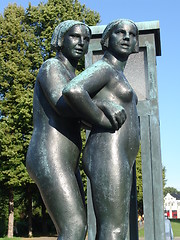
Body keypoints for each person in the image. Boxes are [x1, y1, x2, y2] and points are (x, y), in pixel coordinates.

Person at [63, 19, 140, 240]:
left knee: (117, 227)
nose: (127, 37)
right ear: (106, 40)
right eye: (120, 32)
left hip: (120, 154)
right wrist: (100, 118)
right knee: (114, 229)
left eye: (132, 34)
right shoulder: (104, 68)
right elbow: (74, 90)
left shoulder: (117, 72)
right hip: (108, 151)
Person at [26, 20, 91, 240]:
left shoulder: (74, 78)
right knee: (73, 226)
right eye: (75, 36)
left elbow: (84, 116)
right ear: (60, 39)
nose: (81, 43)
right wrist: (102, 108)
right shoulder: (52, 66)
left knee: (80, 227)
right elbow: (62, 104)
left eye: (86, 39)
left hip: (66, 159)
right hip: (50, 154)